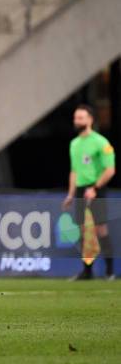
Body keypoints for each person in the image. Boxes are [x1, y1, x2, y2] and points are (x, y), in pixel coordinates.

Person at [62, 104, 116, 280]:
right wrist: (71, 194)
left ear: (90, 120)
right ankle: (87, 271)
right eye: (75, 118)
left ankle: (110, 271)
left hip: (96, 188)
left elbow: (110, 170)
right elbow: (74, 171)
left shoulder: (101, 142)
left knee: (101, 229)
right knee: (83, 230)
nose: (76, 121)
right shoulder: (74, 144)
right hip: (79, 189)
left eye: (80, 118)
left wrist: (95, 188)